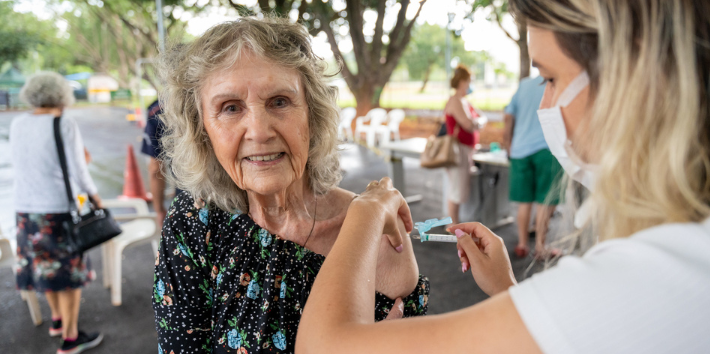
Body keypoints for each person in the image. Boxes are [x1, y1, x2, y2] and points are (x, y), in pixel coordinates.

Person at [296, 0, 710, 353]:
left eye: (551, 79)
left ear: (634, 78)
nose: (545, 106)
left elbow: (324, 345)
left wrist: (366, 209)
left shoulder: (654, 282)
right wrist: (510, 292)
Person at [152, 17, 429, 354]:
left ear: (312, 114)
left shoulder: (376, 231)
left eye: (279, 101)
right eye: (231, 108)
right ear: (203, 130)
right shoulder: (194, 224)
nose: (259, 131)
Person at [11, 72, 104, 354]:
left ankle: (57, 320)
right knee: (70, 275)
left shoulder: (18, 123)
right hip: (57, 212)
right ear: (62, 96)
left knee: (46, 267)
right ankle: (71, 338)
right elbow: (79, 171)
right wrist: (96, 198)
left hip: (25, 213)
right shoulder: (63, 123)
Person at [503, 76, 564, 259]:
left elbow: (508, 116)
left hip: (520, 149)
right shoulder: (557, 85)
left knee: (524, 202)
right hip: (547, 149)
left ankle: (522, 244)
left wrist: (508, 142)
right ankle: (540, 247)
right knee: (545, 201)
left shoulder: (524, 85)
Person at [443, 64, 484, 224]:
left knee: (459, 189)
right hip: (458, 151)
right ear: (462, 82)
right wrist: (477, 122)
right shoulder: (456, 101)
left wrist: (477, 122)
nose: (471, 84)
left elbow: (479, 118)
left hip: (466, 150)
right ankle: (453, 225)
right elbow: (468, 124)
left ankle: (454, 224)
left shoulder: (464, 101)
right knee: (456, 190)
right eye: (469, 81)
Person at [140, 99, 173, 231]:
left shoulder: (157, 110)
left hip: (190, 199)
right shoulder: (206, 96)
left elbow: (156, 169)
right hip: (227, 194)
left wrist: (159, 209)